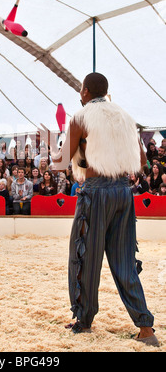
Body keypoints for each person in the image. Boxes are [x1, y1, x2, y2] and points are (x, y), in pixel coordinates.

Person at [52, 72, 158, 346]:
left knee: (85, 258)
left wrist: (54, 150)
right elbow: (142, 161)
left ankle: (84, 320)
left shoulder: (80, 117)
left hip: (95, 192)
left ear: (85, 91)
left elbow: (61, 162)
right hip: (123, 192)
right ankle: (145, 328)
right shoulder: (124, 116)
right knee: (124, 261)